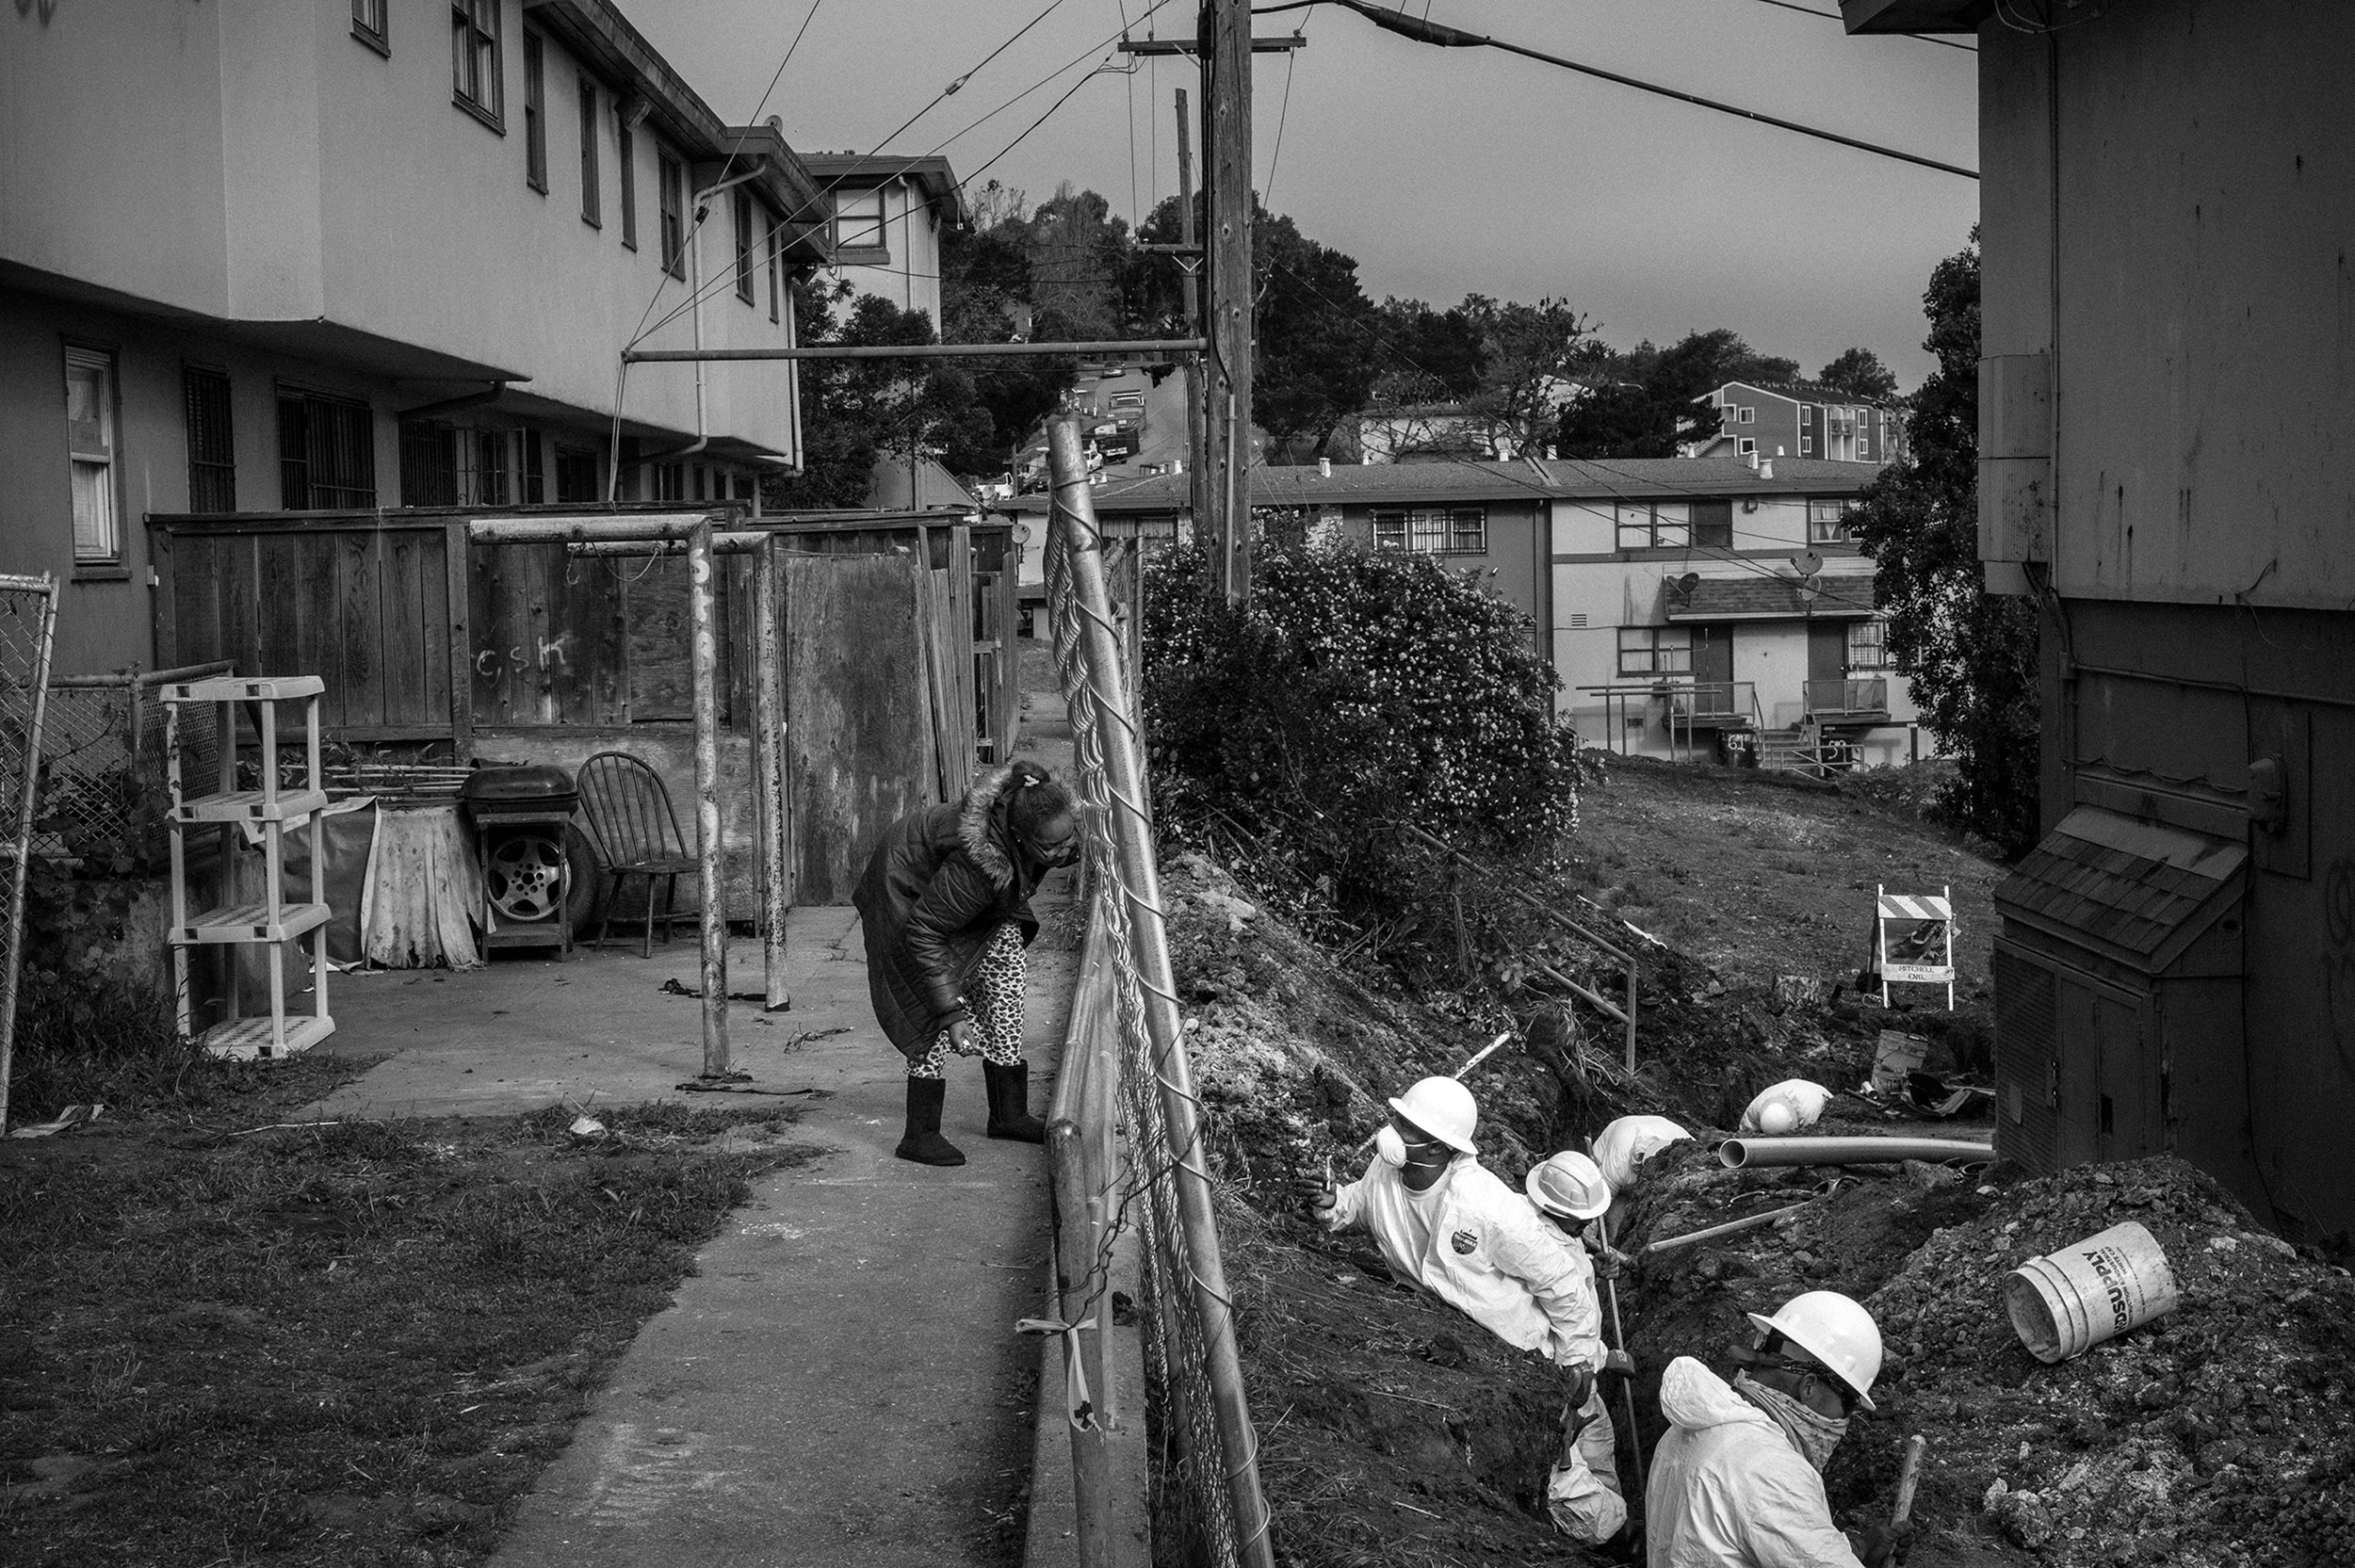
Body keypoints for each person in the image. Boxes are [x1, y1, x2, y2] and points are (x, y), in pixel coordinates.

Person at [1299, 1080, 1630, 1545]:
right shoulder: (1384, 1172)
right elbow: (1360, 1205)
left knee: (1576, 1473)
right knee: (1569, 1468)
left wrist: (1578, 1360)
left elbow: (1560, 1282)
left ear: (1437, 1146)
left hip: (1537, 1355)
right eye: (1398, 1119)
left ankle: (1621, 1540)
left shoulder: (1484, 1205)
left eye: (1405, 1126)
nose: (1391, 1131)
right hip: (1482, 1351)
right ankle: (1616, 1529)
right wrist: (1333, 1205)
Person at [853, 759, 1080, 1167]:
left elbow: (1049, 850)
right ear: (1018, 836)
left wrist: (1063, 851)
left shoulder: (1035, 814)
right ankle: (919, 1134)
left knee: (1006, 973)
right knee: (929, 1006)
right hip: (906, 892)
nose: (1064, 851)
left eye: (1068, 840)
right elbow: (925, 933)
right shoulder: (978, 865)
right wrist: (952, 1012)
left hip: (968, 900)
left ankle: (1008, 1113)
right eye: (1053, 848)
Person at [1647, 1291, 1907, 1568]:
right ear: (1809, 1387)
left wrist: (1858, 1549)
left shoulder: (1692, 1428)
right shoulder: (1773, 1470)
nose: (1844, 1420)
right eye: (1848, 1405)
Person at [1524, 1151, 1639, 1548]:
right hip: (1563, 1381)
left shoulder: (1564, 1232)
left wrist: (1605, 1356)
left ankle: (1618, 1518)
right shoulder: (1534, 1248)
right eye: (1582, 1217)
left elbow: (1579, 1314)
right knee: (1568, 1476)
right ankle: (1614, 1540)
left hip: (1587, 1373)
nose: (1589, 1223)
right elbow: (1555, 1325)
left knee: (1600, 1456)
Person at [1591, 1114, 1694, 1196]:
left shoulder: (1689, 1147)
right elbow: (1602, 1196)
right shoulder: (1619, 1163)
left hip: (1655, 1127)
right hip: (1607, 1153)